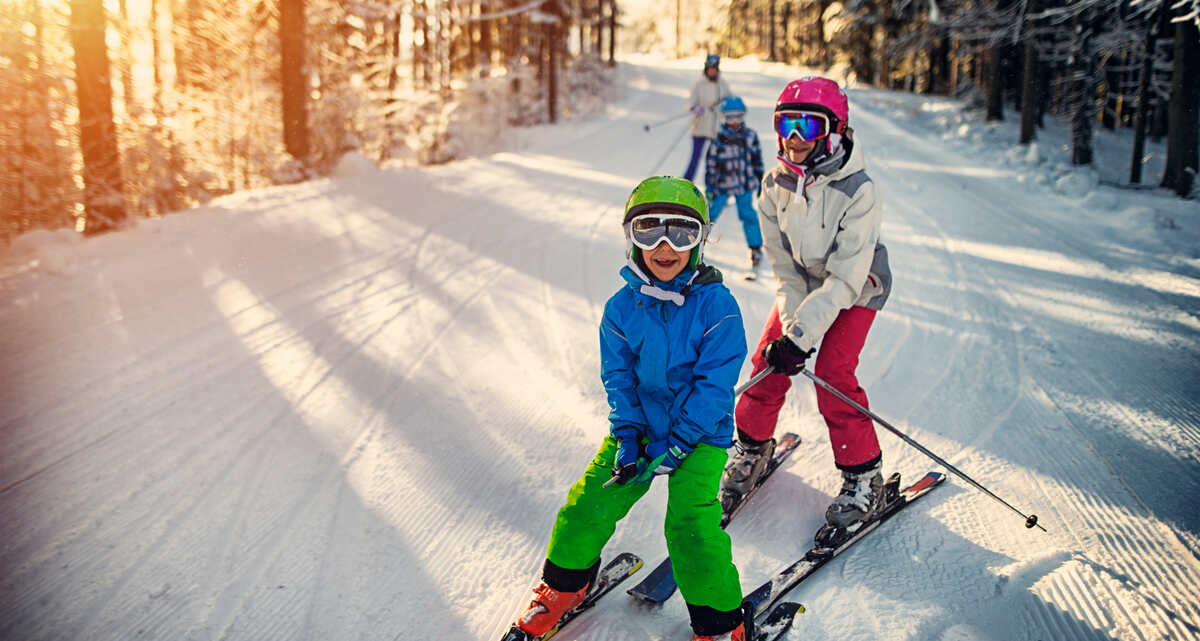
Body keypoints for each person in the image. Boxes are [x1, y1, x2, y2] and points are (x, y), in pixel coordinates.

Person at [505, 176, 750, 641]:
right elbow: (618, 378)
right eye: (648, 231)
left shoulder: (718, 307)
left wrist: (682, 441)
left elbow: (715, 385)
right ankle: (563, 588)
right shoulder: (621, 308)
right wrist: (629, 432)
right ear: (631, 238)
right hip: (641, 430)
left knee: (690, 525)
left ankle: (721, 622)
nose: (664, 245)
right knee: (588, 503)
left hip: (699, 437)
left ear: (699, 240)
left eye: (680, 232)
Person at [720, 76, 893, 545]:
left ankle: (864, 477)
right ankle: (752, 447)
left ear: (834, 131)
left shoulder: (859, 190)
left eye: (807, 126)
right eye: (785, 125)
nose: (794, 139)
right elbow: (785, 270)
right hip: (804, 283)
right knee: (767, 362)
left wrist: (805, 338)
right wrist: (793, 334)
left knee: (834, 372)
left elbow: (843, 280)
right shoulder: (773, 184)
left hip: (854, 287)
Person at [704, 95, 765, 277]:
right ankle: (696, 245)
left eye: (738, 116)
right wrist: (710, 185)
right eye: (730, 117)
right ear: (724, 117)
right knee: (710, 214)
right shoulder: (719, 138)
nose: (734, 121)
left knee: (748, 214)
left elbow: (756, 159)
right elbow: (711, 162)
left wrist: (759, 178)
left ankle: (755, 248)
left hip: (744, 184)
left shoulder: (750, 136)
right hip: (722, 185)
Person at [683, 54, 731, 184]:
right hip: (700, 127)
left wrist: (723, 109)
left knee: (716, 160)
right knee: (695, 159)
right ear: (706, 68)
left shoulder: (723, 84)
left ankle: (716, 189)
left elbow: (730, 103)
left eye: (714, 68)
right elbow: (689, 104)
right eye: (710, 68)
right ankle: (685, 184)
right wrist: (695, 108)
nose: (712, 71)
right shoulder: (698, 84)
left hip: (716, 128)